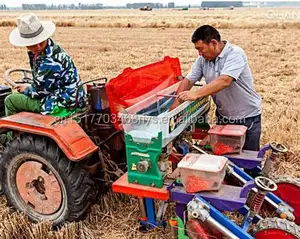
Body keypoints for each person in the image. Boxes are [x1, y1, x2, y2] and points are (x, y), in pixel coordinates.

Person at [173, 25, 262, 151]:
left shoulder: (235, 54)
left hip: (246, 118)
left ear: (214, 43)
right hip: (223, 116)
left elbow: (225, 81)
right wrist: (173, 108)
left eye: (201, 49)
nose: (199, 53)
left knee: (248, 161)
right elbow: (188, 81)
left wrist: (196, 94)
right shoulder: (202, 60)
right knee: (223, 159)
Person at [5, 13, 85, 117]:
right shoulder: (50, 48)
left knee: (10, 100)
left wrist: (27, 89)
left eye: (40, 42)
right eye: (33, 44)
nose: (38, 47)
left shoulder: (50, 61)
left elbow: (38, 91)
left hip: (62, 103)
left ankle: (11, 132)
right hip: (68, 96)